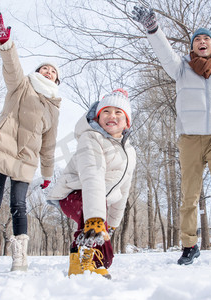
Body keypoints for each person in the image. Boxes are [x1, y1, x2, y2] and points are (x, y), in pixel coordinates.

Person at [132, 4, 211, 265]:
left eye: (206, 39)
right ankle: (189, 245)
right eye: (197, 39)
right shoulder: (181, 69)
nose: (201, 42)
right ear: (192, 46)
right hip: (189, 137)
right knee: (189, 192)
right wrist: (153, 29)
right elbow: (165, 54)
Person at [0, 12, 62, 272]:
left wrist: (47, 173)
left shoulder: (54, 108)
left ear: (56, 80)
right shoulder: (21, 86)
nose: (48, 70)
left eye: (53, 70)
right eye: (44, 67)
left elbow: (49, 144)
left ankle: (20, 258)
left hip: (25, 158)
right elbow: (12, 67)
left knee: (18, 205)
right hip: (1, 148)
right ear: (37, 72)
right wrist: (6, 43)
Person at [47, 89, 136, 279]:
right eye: (106, 111)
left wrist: (111, 223)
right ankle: (84, 261)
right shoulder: (91, 137)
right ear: (98, 116)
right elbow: (92, 175)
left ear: (127, 121)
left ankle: (92, 260)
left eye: (118, 112)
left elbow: (124, 190)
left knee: (107, 253)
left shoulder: (130, 152)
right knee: (92, 217)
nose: (111, 115)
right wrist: (96, 217)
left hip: (99, 201)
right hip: (72, 193)